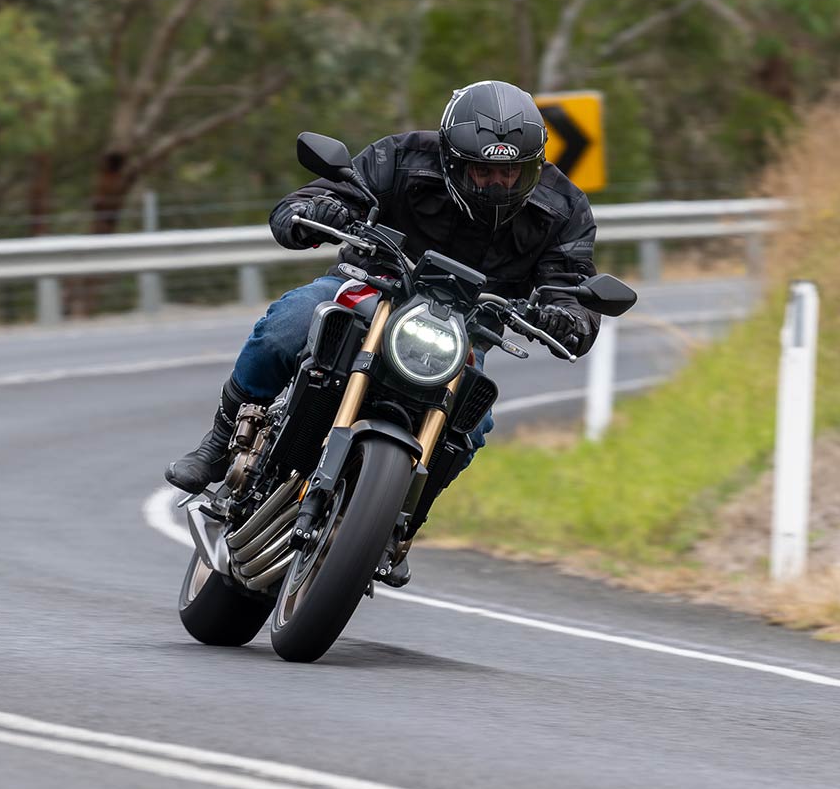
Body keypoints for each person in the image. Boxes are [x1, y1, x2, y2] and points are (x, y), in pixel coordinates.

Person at [163, 80, 603, 578]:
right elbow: (332, 192)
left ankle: (400, 522)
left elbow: (572, 284)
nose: (497, 184)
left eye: (511, 172)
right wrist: (316, 210)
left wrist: (566, 317)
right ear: (452, 159)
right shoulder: (403, 156)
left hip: (464, 328)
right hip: (371, 287)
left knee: (473, 423)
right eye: (483, 171)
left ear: (534, 165)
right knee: (291, 321)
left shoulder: (563, 207)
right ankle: (219, 441)